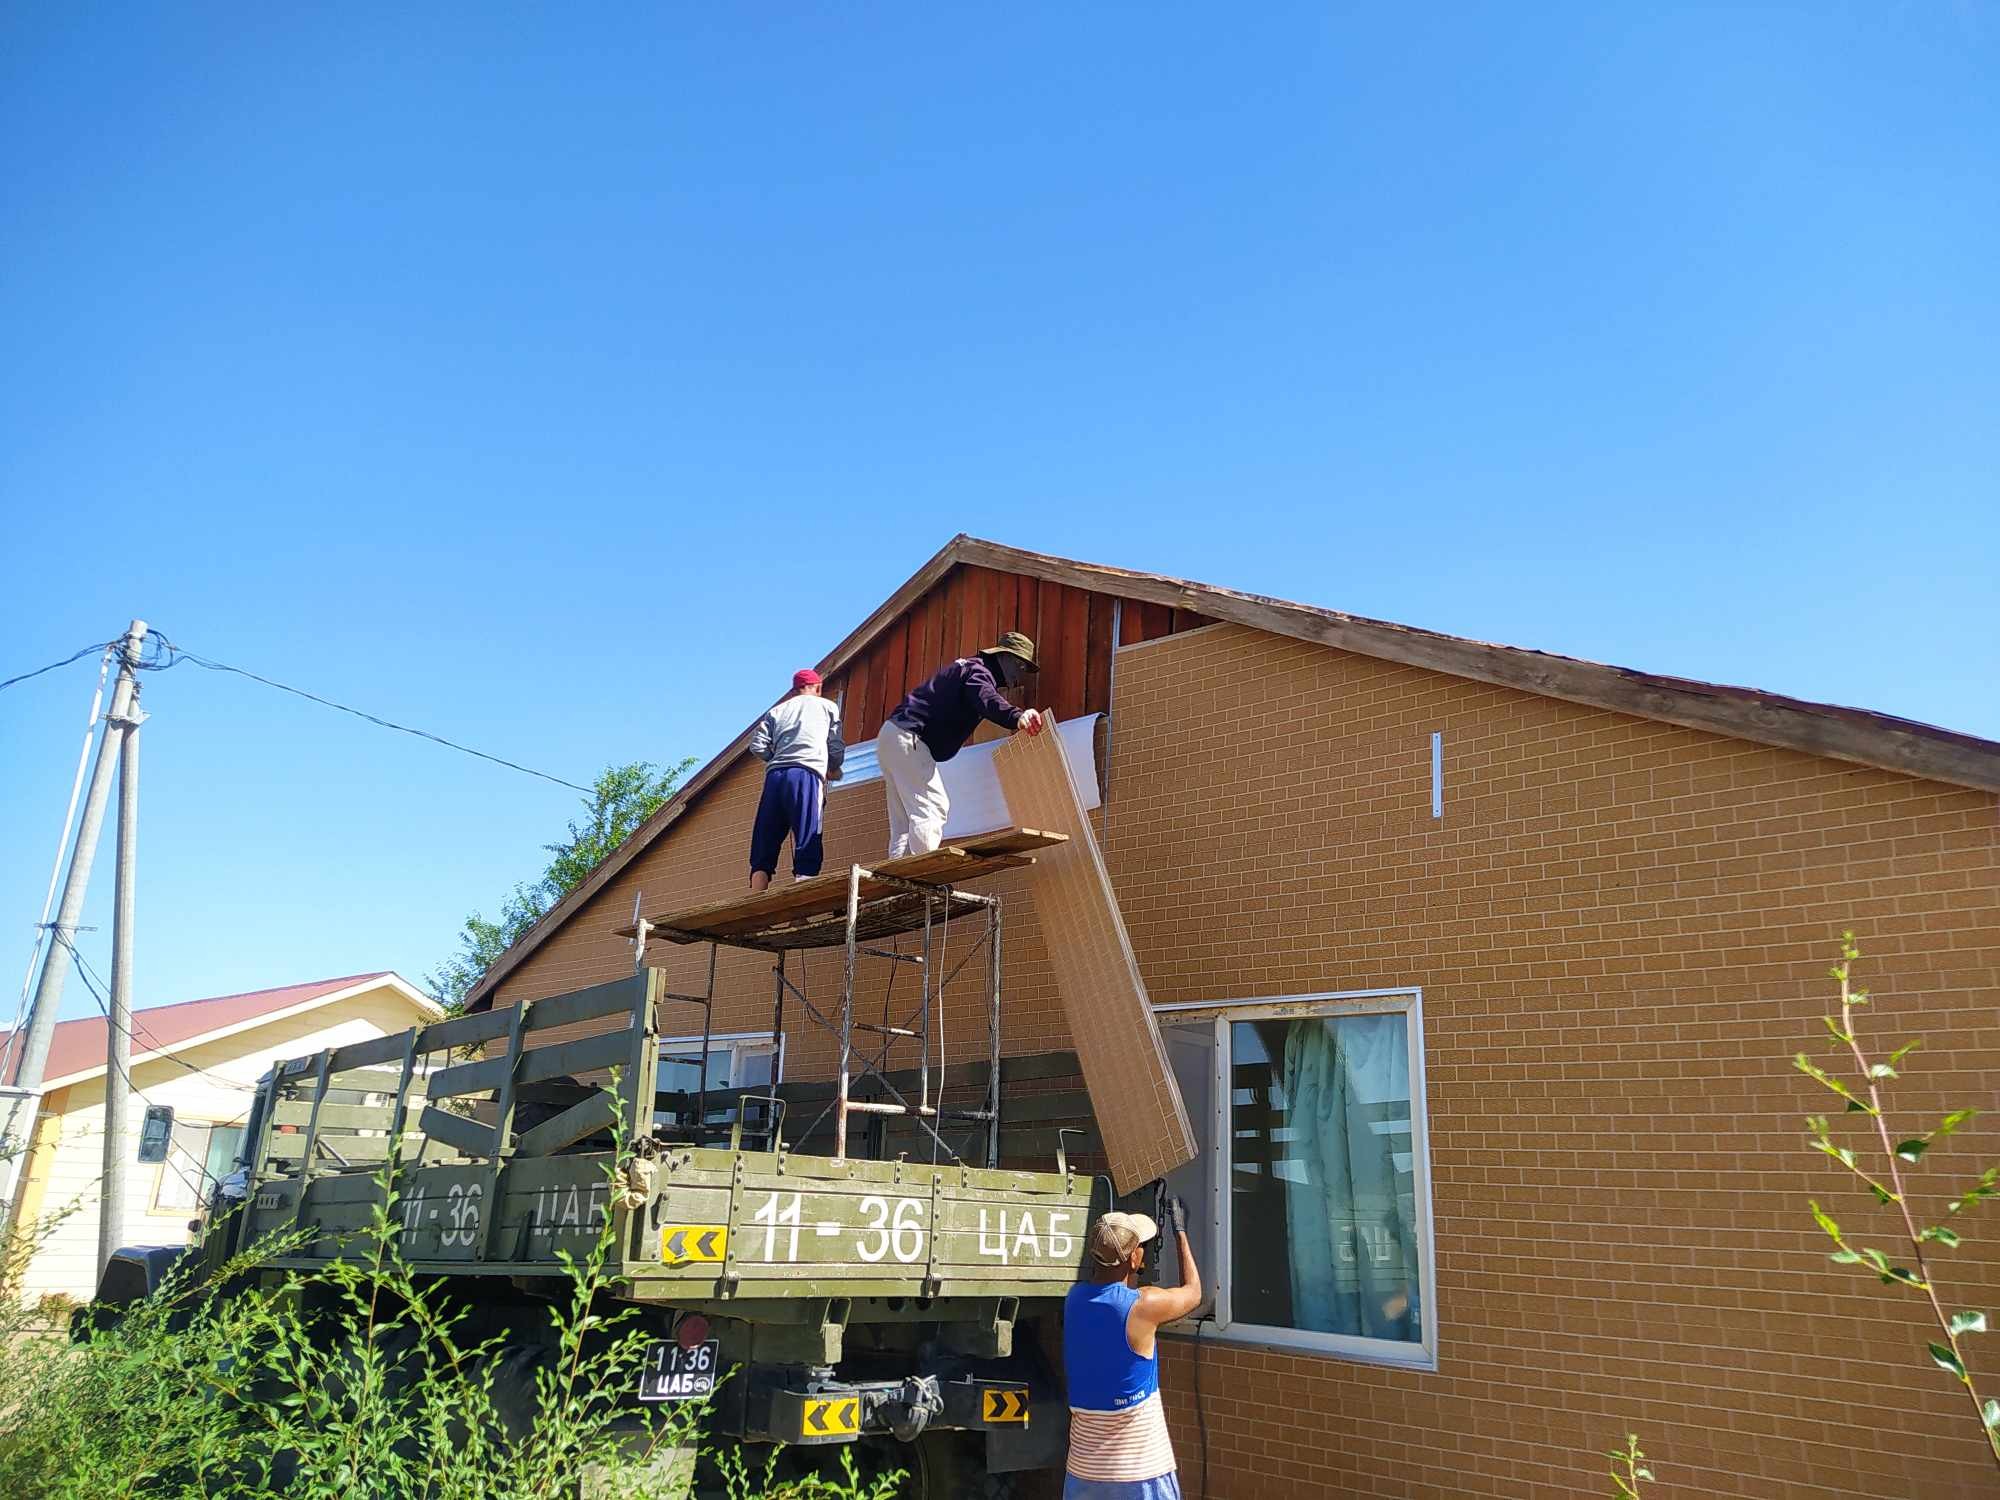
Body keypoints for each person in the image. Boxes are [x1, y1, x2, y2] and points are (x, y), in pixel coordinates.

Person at [1061, 1201, 1202, 1499]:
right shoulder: (1142, 1306)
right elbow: (1193, 1293)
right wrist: (1180, 1230)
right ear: (1134, 1258)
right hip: (1141, 1476)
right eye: (1141, 1248)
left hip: (1083, 1474)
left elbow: (1109, 1297)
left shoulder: (1074, 1300)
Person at [874, 630, 1047, 857]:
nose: (1020, 675)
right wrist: (1017, 716)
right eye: (1020, 666)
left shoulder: (967, 668)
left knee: (904, 820)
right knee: (934, 807)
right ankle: (926, 870)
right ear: (1004, 657)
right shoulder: (979, 671)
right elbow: (986, 699)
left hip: (892, 736)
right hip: (910, 737)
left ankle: (897, 872)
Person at [747, 668, 844, 892]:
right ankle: (802, 905)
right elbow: (835, 745)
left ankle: (755, 902)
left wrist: (776, 757)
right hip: (806, 774)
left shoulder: (776, 711)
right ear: (818, 687)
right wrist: (832, 767)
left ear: (794, 690)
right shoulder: (828, 707)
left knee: (765, 839)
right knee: (808, 836)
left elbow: (757, 746)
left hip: (775, 777)